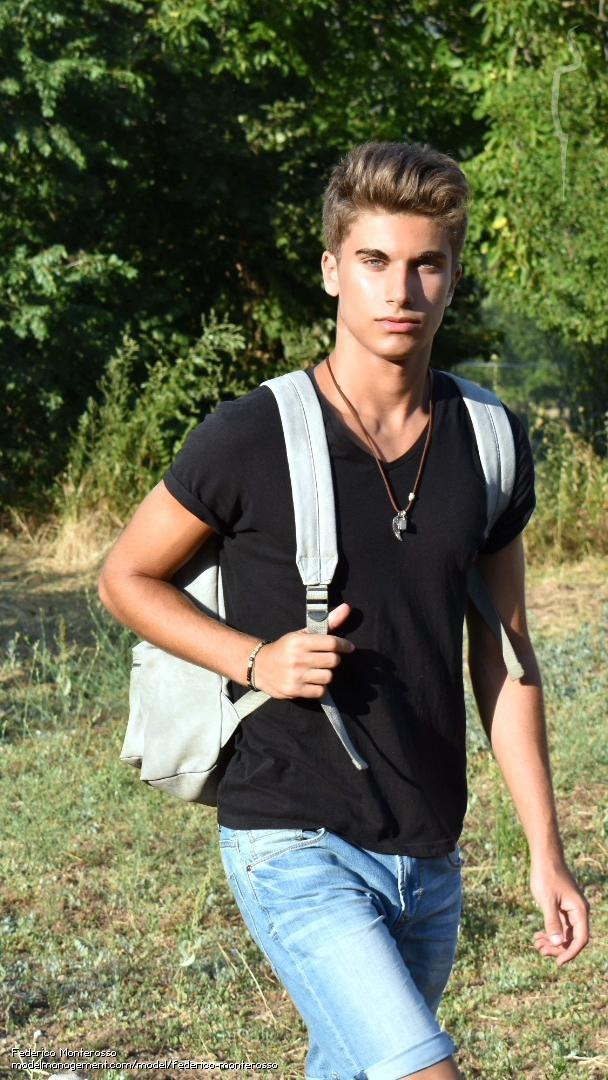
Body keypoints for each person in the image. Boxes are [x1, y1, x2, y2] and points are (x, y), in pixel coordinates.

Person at [99, 141, 590, 1080]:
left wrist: (546, 853)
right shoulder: (250, 435)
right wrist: (255, 659)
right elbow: (127, 576)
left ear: (452, 278)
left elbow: (506, 655)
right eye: (373, 260)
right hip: (293, 835)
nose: (400, 290)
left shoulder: (489, 440)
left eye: (426, 264)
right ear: (332, 271)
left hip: (428, 851)